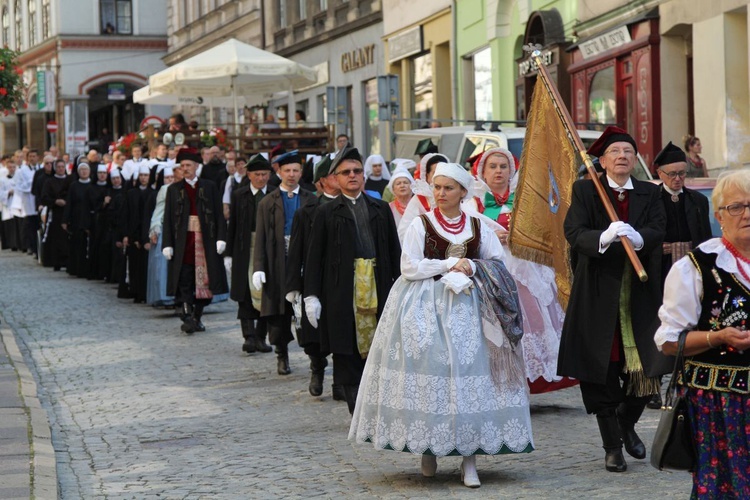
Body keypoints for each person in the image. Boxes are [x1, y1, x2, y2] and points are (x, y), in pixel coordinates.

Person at [349, 162, 533, 488]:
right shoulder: (422, 224)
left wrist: (473, 269)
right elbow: (409, 267)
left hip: (472, 308)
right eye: (436, 187)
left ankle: (469, 459)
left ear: (463, 192)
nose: (441, 194)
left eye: (448, 188)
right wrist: (448, 263)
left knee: (471, 377)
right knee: (431, 373)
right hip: (426, 304)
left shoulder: (477, 223)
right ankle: (429, 447)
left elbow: (497, 262)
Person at [558, 126, 671, 473]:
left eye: (628, 152)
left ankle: (626, 422)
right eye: (616, 152)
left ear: (636, 160)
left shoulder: (649, 194)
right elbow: (574, 232)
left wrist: (638, 238)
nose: (623, 156)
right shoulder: (586, 191)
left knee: (648, 369)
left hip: (639, 293)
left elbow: (658, 228)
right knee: (601, 371)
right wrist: (603, 237)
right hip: (597, 293)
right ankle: (612, 447)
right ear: (603, 160)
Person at [655, 169, 750, 498]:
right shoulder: (697, 266)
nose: (747, 214)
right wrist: (718, 337)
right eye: (736, 207)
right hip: (719, 405)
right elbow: (669, 342)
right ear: (718, 216)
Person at [465, 148, 575, 394]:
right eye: (492, 166)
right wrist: (492, 236)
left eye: (503, 166)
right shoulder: (475, 201)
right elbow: (468, 234)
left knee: (532, 321)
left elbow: (542, 229)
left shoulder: (524, 198)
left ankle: (531, 378)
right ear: (482, 171)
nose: (498, 171)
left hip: (525, 268)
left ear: (511, 171)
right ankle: (498, 380)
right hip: (493, 270)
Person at [303, 147, 402, 415]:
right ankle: (355, 405)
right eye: (346, 172)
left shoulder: (380, 208)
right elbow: (314, 257)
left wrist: (403, 286)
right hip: (340, 288)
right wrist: (310, 295)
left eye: (357, 171)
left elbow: (395, 252)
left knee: (379, 343)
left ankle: (377, 401)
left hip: (377, 284)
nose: (353, 176)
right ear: (335, 178)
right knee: (346, 345)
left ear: (364, 175)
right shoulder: (326, 212)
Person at [647, 142, 714, 409]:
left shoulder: (697, 200)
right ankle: (653, 384)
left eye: (682, 174)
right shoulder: (651, 199)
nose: (677, 179)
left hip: (690, 267)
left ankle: (689, 377)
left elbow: (705, 238)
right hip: (659, 269)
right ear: (660, 174)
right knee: (658, 324)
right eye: (672, 174)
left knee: (692, 321)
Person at [253, 150, 317, 375]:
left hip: (304, 262)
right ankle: (281, 353)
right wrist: (259, 267)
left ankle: (314, 357)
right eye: (287, 170)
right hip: (277, 263)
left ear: (301, 173)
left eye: (295, 170)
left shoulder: (311, 198)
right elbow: (260, 236)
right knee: (278, 315)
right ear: (279, 172)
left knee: (307, 312)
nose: (291, 175)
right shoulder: (267, 202)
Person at [285, 154, 343, 398]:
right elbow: (296, 251)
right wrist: (293, 285)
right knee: (314, 332)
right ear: (321, 182)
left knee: (343, 331)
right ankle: (317, 368)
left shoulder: (353, 206)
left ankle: (342, 380)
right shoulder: (306, 211)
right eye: (334, 174)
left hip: (342, 279)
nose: (341, 178)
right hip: (314, 279)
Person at [162, 148, 228, 334]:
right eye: (182, 166)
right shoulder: (174, 189)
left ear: (196, 166)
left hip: (205, 240)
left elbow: (218, 215)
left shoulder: (209, 186)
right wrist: (167, 243)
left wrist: (221, 238)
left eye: (188, 165)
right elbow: (167, 218)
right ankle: (187, 316)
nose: (185, 169)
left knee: (204, 282)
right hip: (183, 241)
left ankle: (196, 317)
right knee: (183, 280)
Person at [225, 154, 276, 354]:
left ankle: (261, 337)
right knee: (245, 293)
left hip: (267, 249)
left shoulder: (274, 194)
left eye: (264, 174)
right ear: (249, 174)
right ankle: (249, 336)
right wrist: (228, 253)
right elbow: (233, 225)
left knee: (265, 293)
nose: (261, 178)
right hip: (244, 249)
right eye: (257, 174)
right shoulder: (239, 194)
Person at [146, 166, 179, 307]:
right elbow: (159, 211)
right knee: (165, 264)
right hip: (169, 230)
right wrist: (155, 229)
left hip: (186, 230)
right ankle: (167, 296)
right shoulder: (166, 189)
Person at [397, 153, 449, 242]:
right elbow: (404, 232)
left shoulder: (455, 197)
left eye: (444, 172)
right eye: (435, 173)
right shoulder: (419, 200)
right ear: (427, 176)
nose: (440, 176)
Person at [124, 165, 153, 303]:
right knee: (135, 266)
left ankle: (146, 293)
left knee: (147, 266)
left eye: (146, 175)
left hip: (148, 235)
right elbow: (127, 215)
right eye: (141, 175)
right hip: (134, 235)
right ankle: (135, 292)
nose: (143, 178)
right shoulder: (131, 194)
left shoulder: (153, 193)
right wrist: (131, 236)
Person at [62, 163, 94, 278]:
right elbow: (69, 203)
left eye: (86, 169)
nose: (84, 172)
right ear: (78, 172)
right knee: (77, 244)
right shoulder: (74, 186)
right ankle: (76, 268)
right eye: (82, 170)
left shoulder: (92, 185)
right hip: (77, 218)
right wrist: (65, 220)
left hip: (91, 219)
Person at [40, 160, 70, 271]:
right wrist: (55, 201)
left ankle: (67, 261)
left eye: (63, 166)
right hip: (55, 212)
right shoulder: (49, 182)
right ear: (55, 168)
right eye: (58, 167)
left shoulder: (69, 180)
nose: (61, 169)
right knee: (56, 237)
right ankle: (56, 261)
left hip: (68, 212)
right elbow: (44, 197)